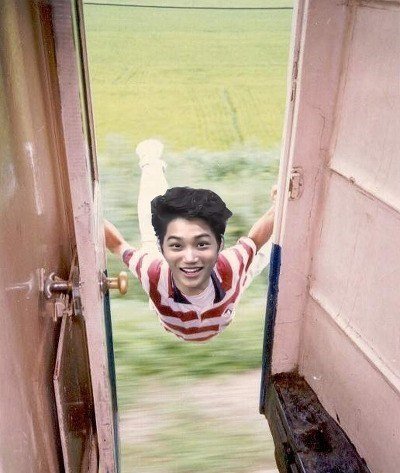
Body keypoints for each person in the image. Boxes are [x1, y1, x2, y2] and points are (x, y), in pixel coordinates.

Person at [104, 139, 275, 342]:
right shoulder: (154, 272)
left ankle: (151, 164)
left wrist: (280, 205)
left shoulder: (230, 266)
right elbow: (118, 245)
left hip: (222, 299)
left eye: (201, 244)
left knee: (257, 257)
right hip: (190, 303)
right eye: (177, 246)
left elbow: (257, 240)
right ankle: (150, 163)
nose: (190, 258)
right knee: (152, 230)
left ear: (219, 248)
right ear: (163, 251)